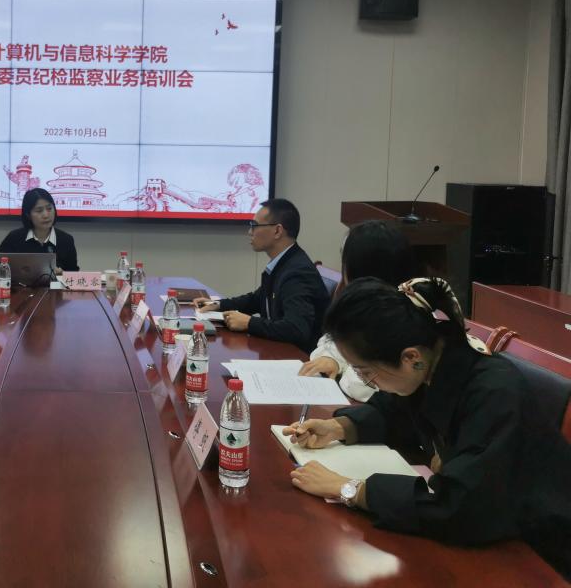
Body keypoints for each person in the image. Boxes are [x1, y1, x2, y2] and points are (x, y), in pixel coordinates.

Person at [284, 277, 571, 579]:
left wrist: (351, 489)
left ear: (410, 357)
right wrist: (339, 427)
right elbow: (395, 411)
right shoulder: (434, 360)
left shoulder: (494, 392)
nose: (369, 383)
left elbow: (459, 507)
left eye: (366, 372)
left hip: (541, 552)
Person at [300, 220, 420, 400]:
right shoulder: (362, 306)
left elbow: (360, 387)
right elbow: (330, 341)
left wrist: (346, 366)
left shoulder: (403, 316)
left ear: (359, 270)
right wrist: (333, 359)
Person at [195, 198, 328, 353]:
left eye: (254, 225)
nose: (249, 232)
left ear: (277, 231)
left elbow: (296, 329)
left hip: (298, 358)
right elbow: (258, 299)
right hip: (279, 351)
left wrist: (249, 323)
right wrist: (218, 304)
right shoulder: (284, 263)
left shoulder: (297, 272)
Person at [0, 188, 79, 278]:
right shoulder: (15, 238)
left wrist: (63, 275)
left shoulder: (66, 240)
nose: (46, 215)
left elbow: (75, 276)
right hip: (20, 294)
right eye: (39, 210)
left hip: (55, 296)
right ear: (28, 215)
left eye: (49, 208)